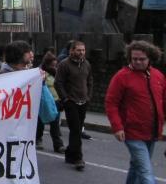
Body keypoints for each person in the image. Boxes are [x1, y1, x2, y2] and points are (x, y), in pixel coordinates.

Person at [105, 41, 165, 183]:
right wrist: (117, 127)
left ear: (150, 57)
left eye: (142, 59)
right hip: (132, 132)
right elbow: (111, 103)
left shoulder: (158, 76)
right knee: (145, 172)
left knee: (136, 166)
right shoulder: (121, 76)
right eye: (134, 59)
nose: (137, 62)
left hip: (152, 131)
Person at [54, 40, 92, 171]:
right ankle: (78, 158)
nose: (81, 52)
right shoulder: (64, 65)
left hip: (83, 102)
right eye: (78, 50)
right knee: (76, 130)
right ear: (72, 51)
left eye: (83, 50)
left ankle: (70, 153)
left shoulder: (86, 64)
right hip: (71, 102)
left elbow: (90, 81)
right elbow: (58, 83)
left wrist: (88, 97)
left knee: (77, 129)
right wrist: (65, 99)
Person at [36, 52, 65, 154]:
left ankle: (58, 145)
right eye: (52, 65)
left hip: (55, 101)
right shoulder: (41, 73)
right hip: (44, 101)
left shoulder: (57, 73)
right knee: (40, 122)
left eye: (55, 65)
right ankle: (38, 139)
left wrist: (62, 99)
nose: (54, 67)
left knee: (55, 124)